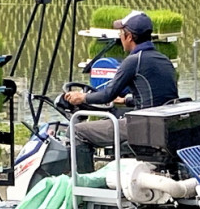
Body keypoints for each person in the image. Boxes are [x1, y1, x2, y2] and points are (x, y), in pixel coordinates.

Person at [64, 10, 178, 149]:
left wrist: (82, 97)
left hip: (142, 126)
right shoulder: (163, 59)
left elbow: (107, 95)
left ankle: (81, 171)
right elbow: (156, 97)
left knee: (77, 130)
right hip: (162, 124)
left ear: (129, 36)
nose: (120, 37)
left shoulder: (134, 61)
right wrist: (125, 100)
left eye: (121, 33)